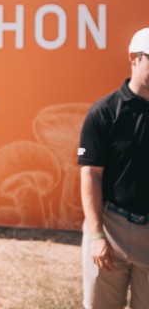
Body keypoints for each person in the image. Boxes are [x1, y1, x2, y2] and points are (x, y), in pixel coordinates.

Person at [78, 27, 149, 309]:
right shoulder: (104, 112)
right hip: (111, 225)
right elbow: (91, 175)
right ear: (134, 57)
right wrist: (97, 235)